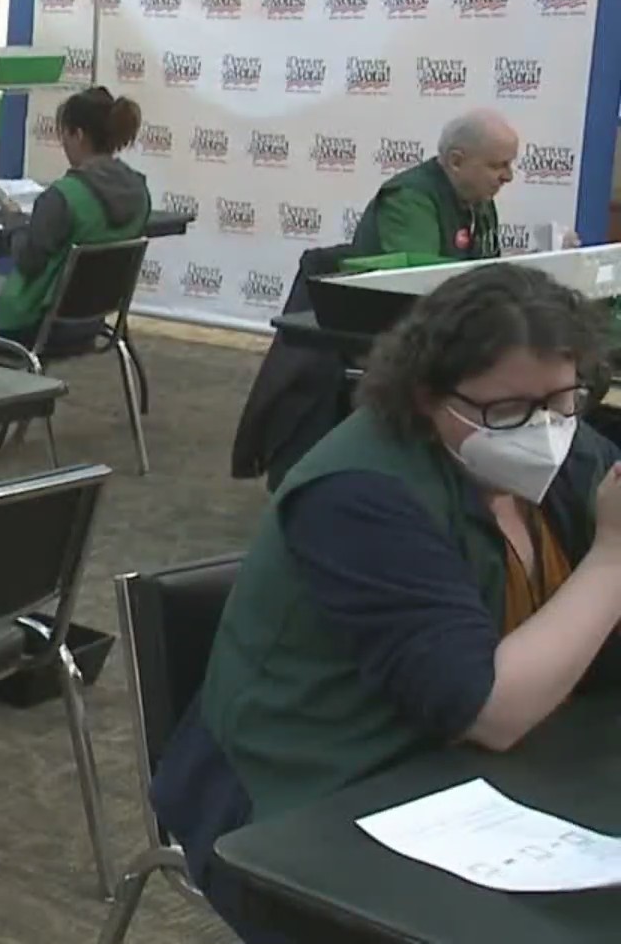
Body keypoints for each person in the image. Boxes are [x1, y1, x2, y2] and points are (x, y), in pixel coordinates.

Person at [151, 263, 621, 943]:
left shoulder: (569, 460)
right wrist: (612, 558)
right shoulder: (358, 493)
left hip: (488, 782)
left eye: (563, 401)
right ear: (429, 395)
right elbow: (485, 710)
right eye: (510, 411)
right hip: (306, 805)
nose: (545, 429)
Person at [0, 86, 149, 343]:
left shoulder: (62, 197)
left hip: (33, 322)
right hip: (91, 323)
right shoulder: (139, 191)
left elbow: (29, 260)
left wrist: (14, 222)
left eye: (63, 134)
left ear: (78, 135)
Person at [346, 109, 518, 260]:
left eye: (509, 165)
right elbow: (419, 283)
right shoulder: (408, 199)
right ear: (456, 161)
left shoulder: (480, 198)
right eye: (497, 166)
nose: (508, 177)